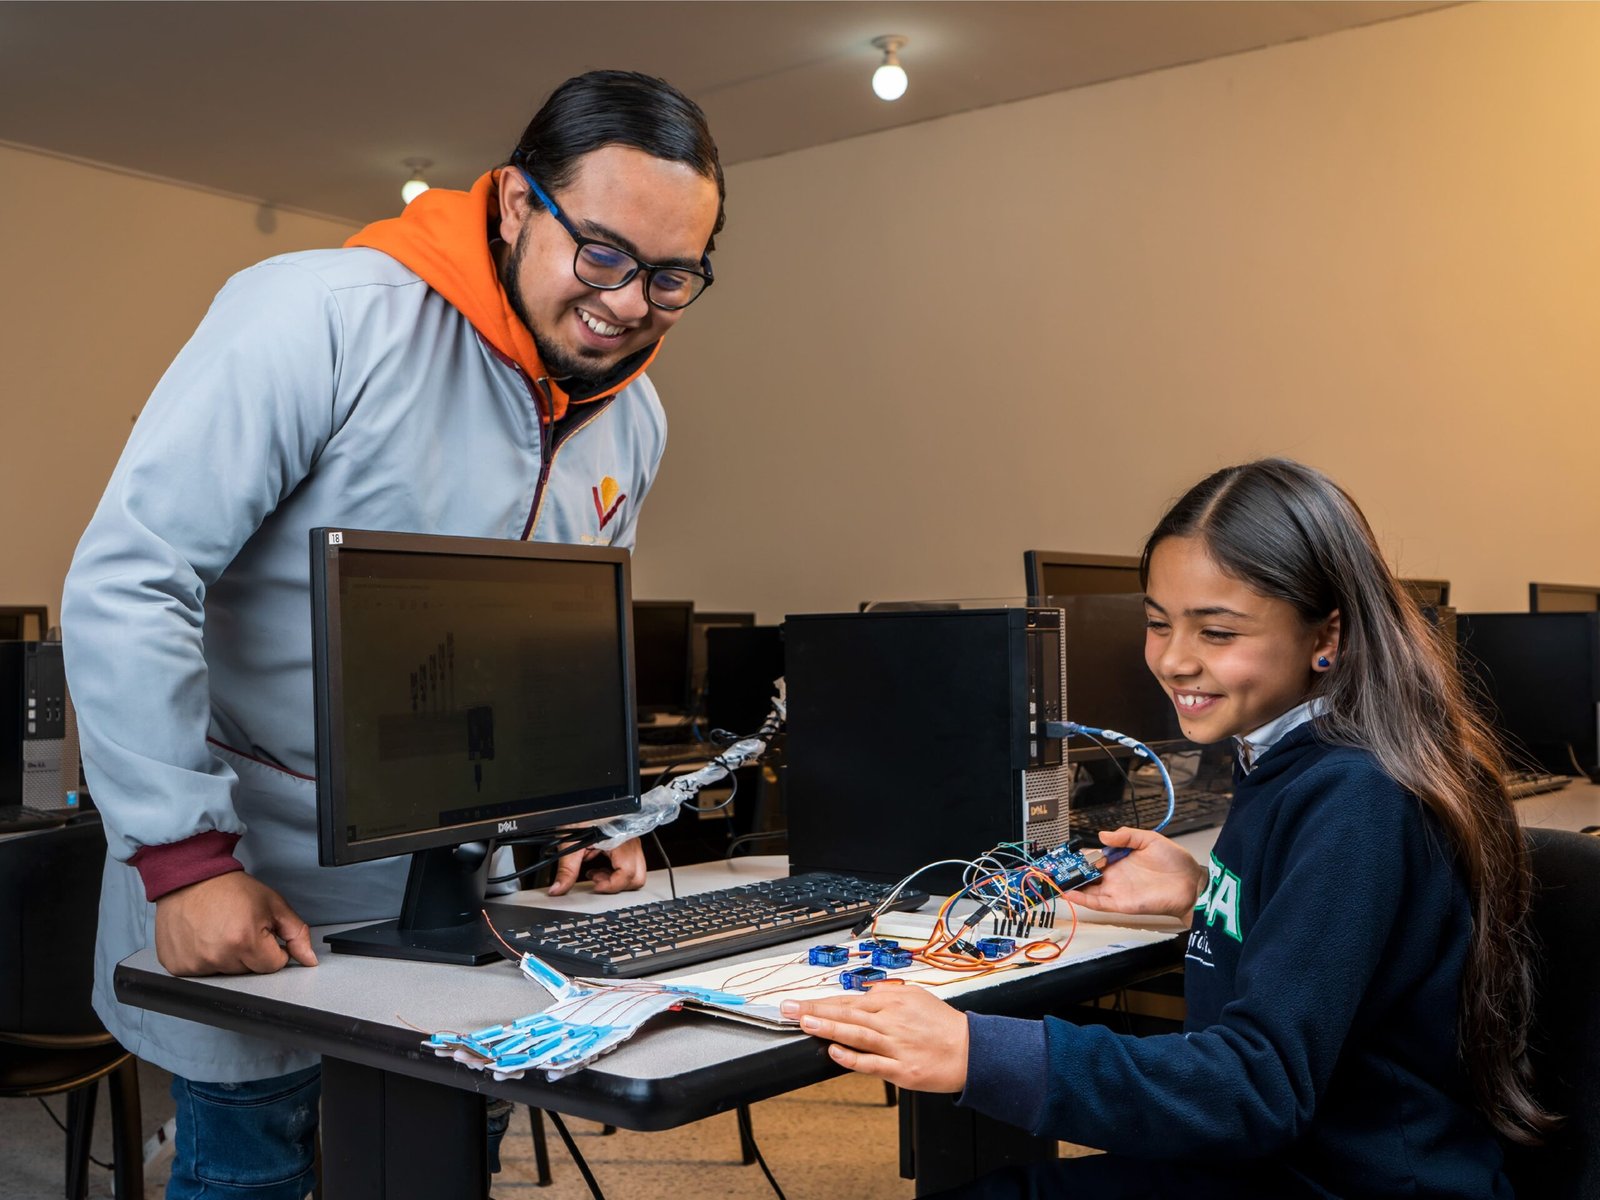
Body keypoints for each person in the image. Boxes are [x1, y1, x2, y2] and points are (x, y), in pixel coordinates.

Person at [61, 70, 724, 1199]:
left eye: (671, 277)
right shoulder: (322, 314)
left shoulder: (637, 416)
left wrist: (586, 814)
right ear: (517, 204)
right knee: (251, 1169)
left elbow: (552, 640)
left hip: (466, 902)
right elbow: (130, 579)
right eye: (602, 254)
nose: (627, 304)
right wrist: (183, 865)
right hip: (263, 875)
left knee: (438, 1164)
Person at [786, 458, 1555, 1198]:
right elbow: (1339, 950)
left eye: (1217, 633)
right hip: (1296, 1160)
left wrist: (974, 1049)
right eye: (1158, 623)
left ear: (1328, 637)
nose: (1174, 661)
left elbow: (1257, 1088)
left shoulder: (1357, 796)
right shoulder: (1304, 756)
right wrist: (1210, 897)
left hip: (1352, 1179)